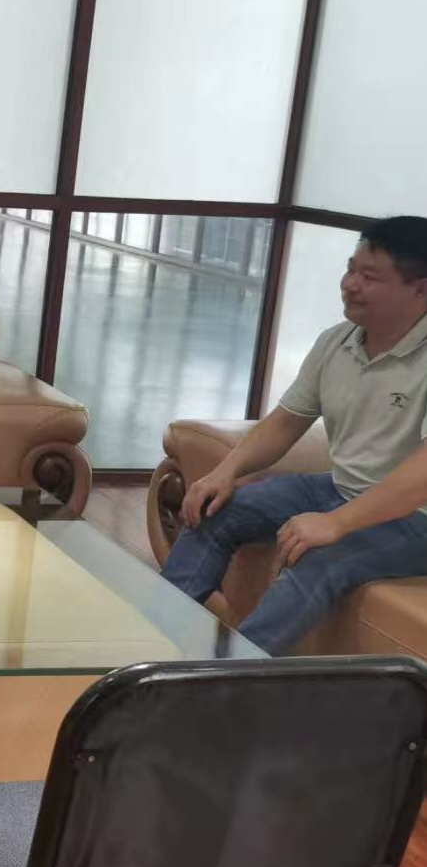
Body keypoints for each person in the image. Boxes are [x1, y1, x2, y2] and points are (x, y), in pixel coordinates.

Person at [163, 216, 427, 655]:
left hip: (417, 518)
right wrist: (226, 471)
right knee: (214, 512)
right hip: (341, 488)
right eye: (350, 269)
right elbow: (286, 421)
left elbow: (421, 477)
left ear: (420, 289)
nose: (349, 285)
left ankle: (225, 681)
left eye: (369, 277)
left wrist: (337, 523)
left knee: (318, 558)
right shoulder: (337, 341)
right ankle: (150, 644)